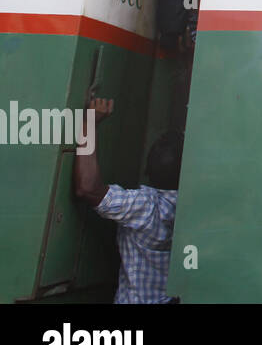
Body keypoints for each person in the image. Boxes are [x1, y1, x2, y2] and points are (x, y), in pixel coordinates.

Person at [73, 96, 182, 304]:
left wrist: (89, 123)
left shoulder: (147, 206)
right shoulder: (191, 210)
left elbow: (87, 188)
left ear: (147, 171)